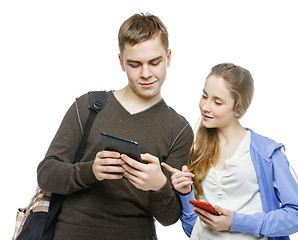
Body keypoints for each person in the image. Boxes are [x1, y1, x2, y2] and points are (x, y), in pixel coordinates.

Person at [37, 13, 193, 239]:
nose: (146, 73)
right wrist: (90, 171)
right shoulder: (88, 107)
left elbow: (169, 218)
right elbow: (46, 174)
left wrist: (159, 185)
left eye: (155, 62)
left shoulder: (179, 129)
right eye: (135, 64)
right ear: (121, 62)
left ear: (168, 57)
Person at [162, 63, 298, 240]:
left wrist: (236, 222)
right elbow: (192, 229)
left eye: (217, 102)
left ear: (238, 109)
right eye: (204, 96)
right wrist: (186, 194)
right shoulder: (198, 153)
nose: (205, 107)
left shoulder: (266, 153)